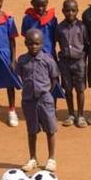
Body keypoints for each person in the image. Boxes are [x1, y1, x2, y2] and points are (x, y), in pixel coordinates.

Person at [15, 28, 61, 172]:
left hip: (45, 99)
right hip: (28, 100)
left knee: (50, 129)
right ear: (25, 43)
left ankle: (51, 158)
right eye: (30, 43)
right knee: (32, 130)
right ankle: (33, 158)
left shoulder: (48, 60)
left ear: (42, 43)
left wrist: (45, 92)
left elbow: (54, 79)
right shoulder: (22, 60)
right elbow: (19, 76)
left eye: (37, 43)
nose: (33, 46)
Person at [55, 0, 88, 128]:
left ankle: (80, 115)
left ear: (77, 11)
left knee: (80, 89)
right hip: (65, 63)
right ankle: (71, 114)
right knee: (68, 89)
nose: (70, 13)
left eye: (73, 10)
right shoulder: (59, 28)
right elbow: (56, 42)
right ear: (63, 11)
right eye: (67, 10)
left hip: (79, 62)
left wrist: (83, 59)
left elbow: (86, 44)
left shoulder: (82, 27)